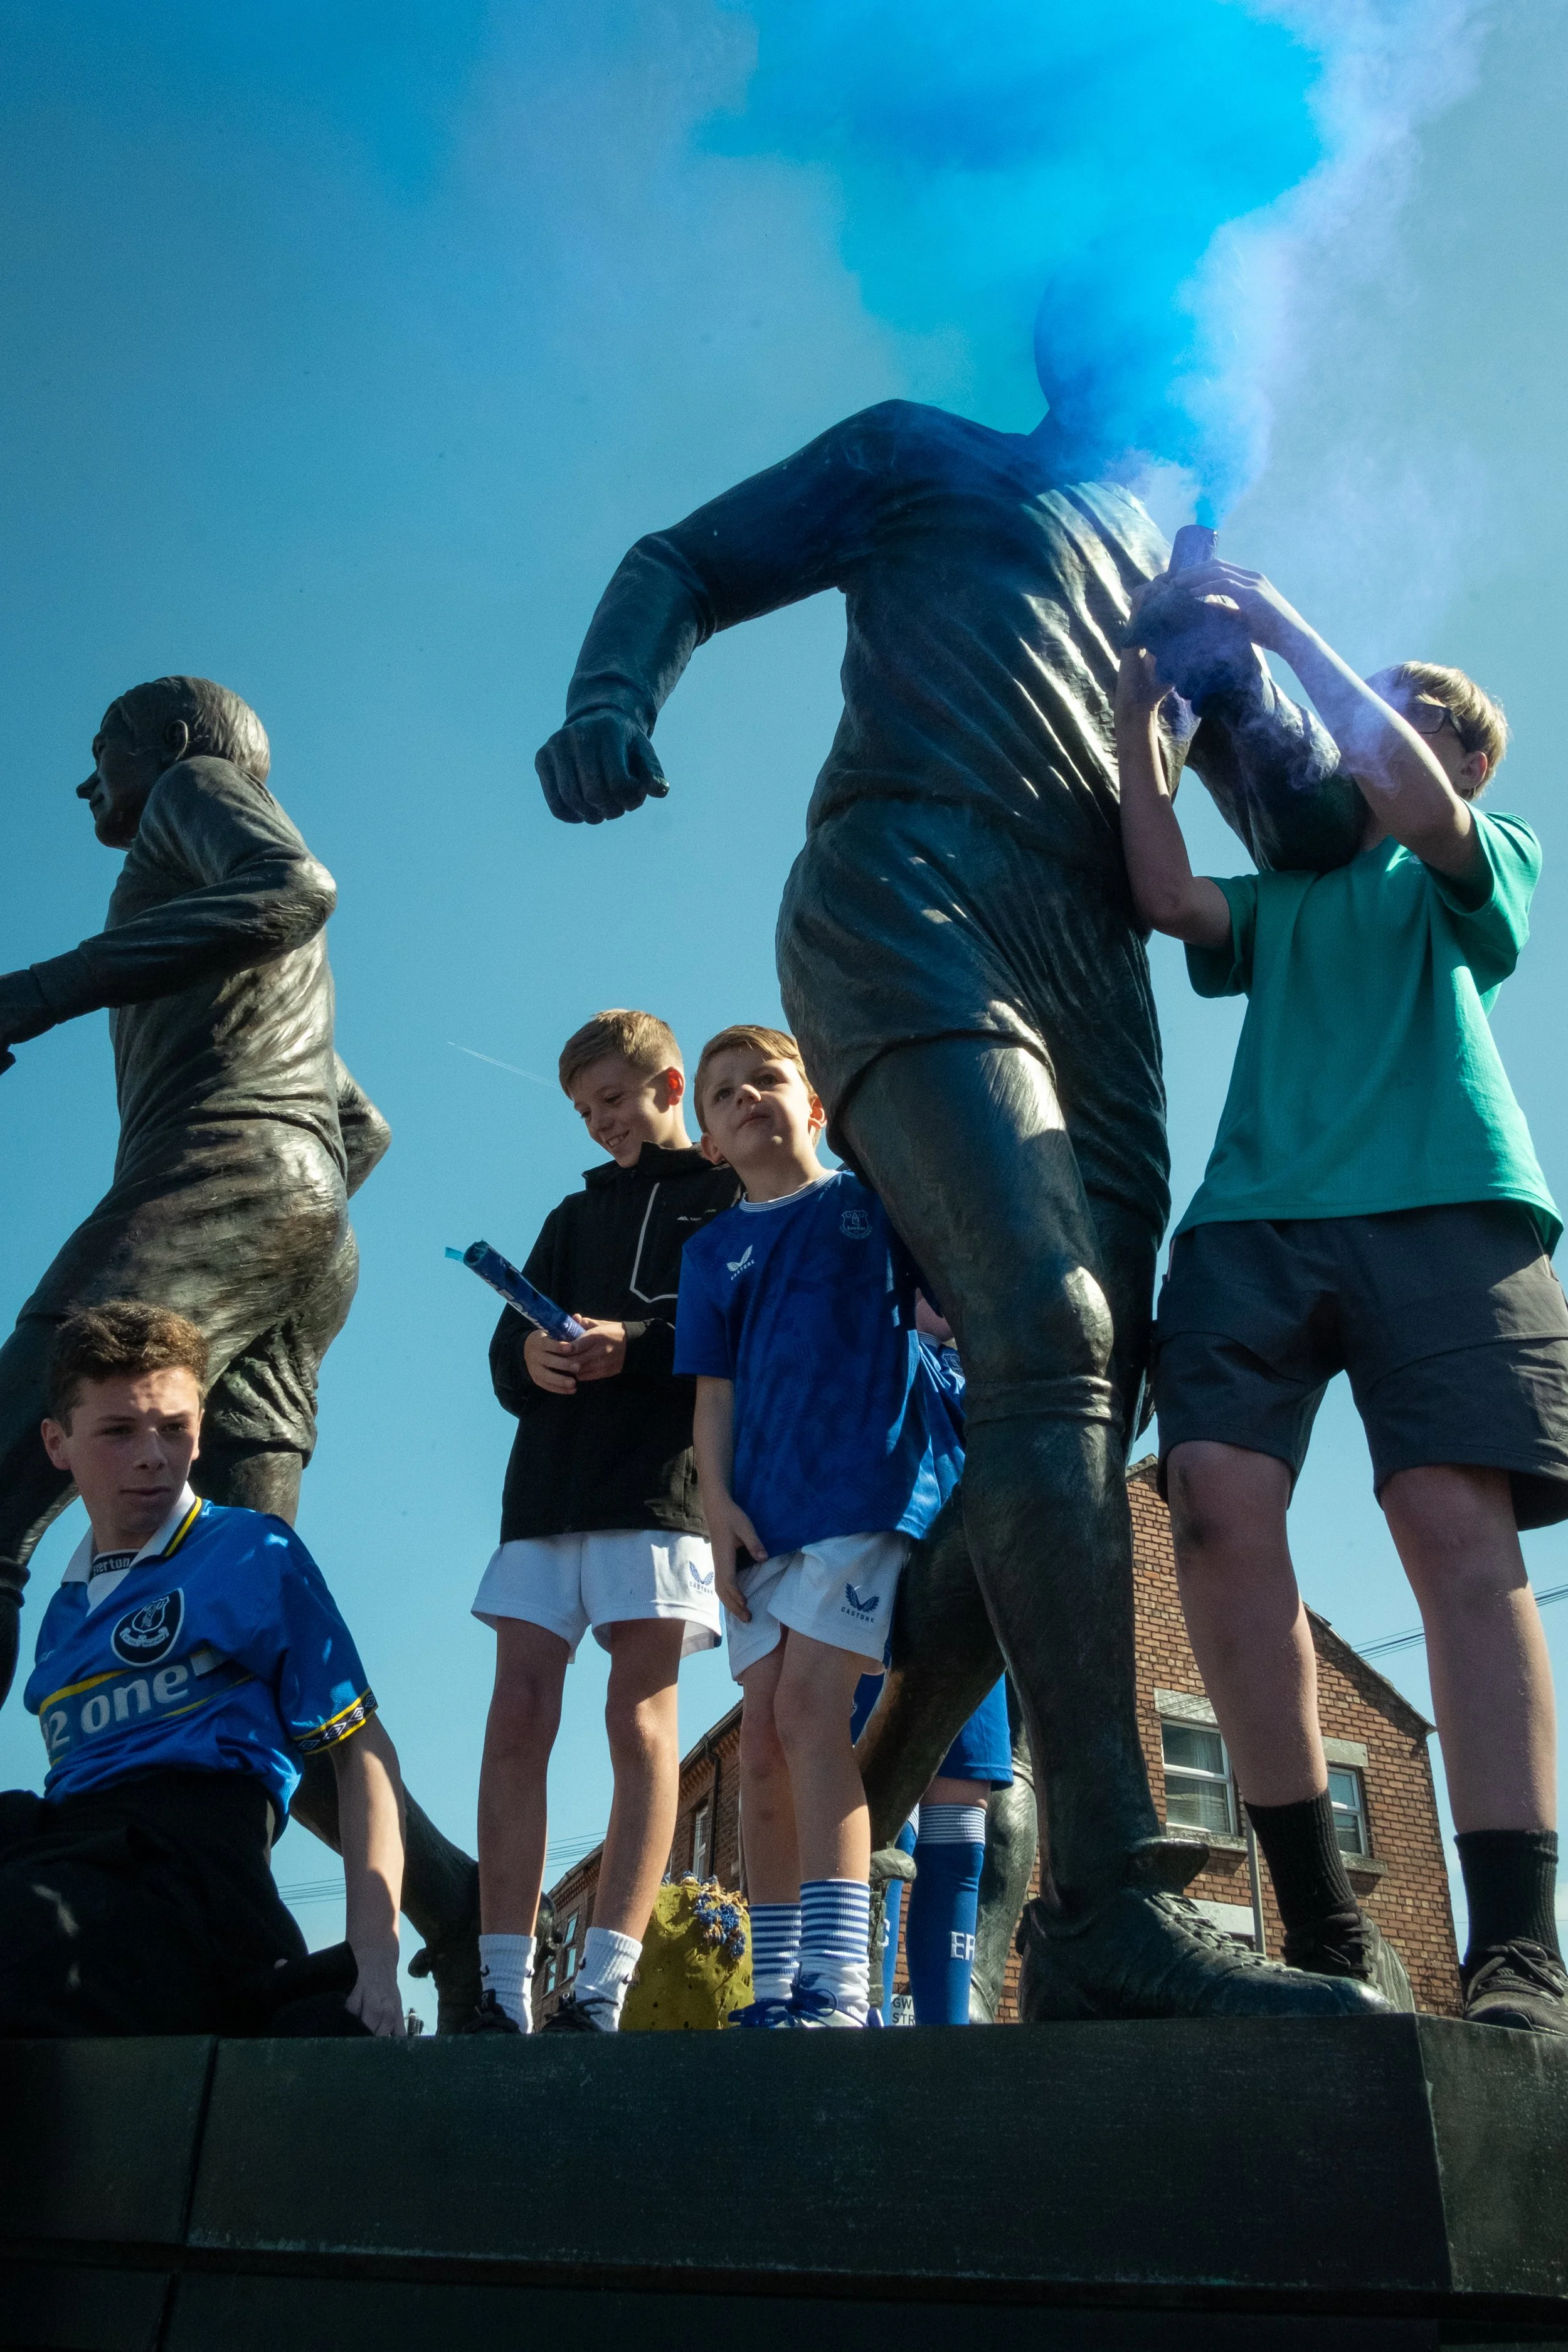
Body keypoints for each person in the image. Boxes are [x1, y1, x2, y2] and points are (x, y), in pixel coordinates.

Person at [536, 397, 1384, 2020]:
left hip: (1092, 973)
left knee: (1073, 1407)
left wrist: (1247, 642)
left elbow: (1310, 828)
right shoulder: (923, 456)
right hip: (905, 886)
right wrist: (607, 689)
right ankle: (1110, 1895)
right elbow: (686, 558)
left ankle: (888, 1763)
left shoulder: (1173, 573)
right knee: (1048, 1324)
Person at [1117, 561, 1568, 2035]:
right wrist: (1144, 728)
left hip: (1448, 1211)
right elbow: (1169, 892)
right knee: (1209, 1504)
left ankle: (1517, 1949)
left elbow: (1399, 777)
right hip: (1253, 1219)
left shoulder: (1483, 852)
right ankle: (1319, 1918)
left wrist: (1287, 625)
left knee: (1454, 1529)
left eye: (1414, 709)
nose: (1371, 724)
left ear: (1467, 753)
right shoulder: (1293, 892)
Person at [0, 675, 479, 2028]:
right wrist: (287, 1235)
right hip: (300, 1225)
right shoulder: (220, 913)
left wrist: (27, 996)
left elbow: (298, 884)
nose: (88, 787)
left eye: (101, 758)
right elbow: (361, 1124)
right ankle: (449, 1902)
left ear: (169, 750)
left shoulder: (197, 800)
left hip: (222, 1186)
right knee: (247, 1659)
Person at [0, 1300, 406, 2038]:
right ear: (58, 1444)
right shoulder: (60, 1612)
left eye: (176, 1428)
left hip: (197, 1878)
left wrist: (374, 1958)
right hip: (72, 1854)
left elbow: (364, 1750)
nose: (153, 1455)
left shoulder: (252, 1551)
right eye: (119, 1432)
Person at [674, 1024, 963, 2028]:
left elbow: (950, 1296)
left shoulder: (871, 1200)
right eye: (723, 1093)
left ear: (819, 1106)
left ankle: (840, 1983)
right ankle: (778, 1986)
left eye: (769, 1078)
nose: (748, 1096)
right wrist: (714, 1507)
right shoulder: (710, 1250)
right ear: (707, 1136)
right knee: (758, 1747)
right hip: (762, 1519)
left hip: (866, 1495)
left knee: (808, 1714)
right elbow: (712, 1396)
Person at [467, 1009, 738, 2033]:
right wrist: (529, 1360)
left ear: (672, 1085)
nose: (599, 1123)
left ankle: (604, 1986)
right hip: (543, 1502)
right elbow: (506, 1360)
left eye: (614, 1099)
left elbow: (738, 1330)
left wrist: (640, 1342)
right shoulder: (565, 1219)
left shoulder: (724, 1198)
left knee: (639, 1722)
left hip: (658, 1499)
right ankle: (500, 1987)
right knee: (517, 1721)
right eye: (585, 1110)